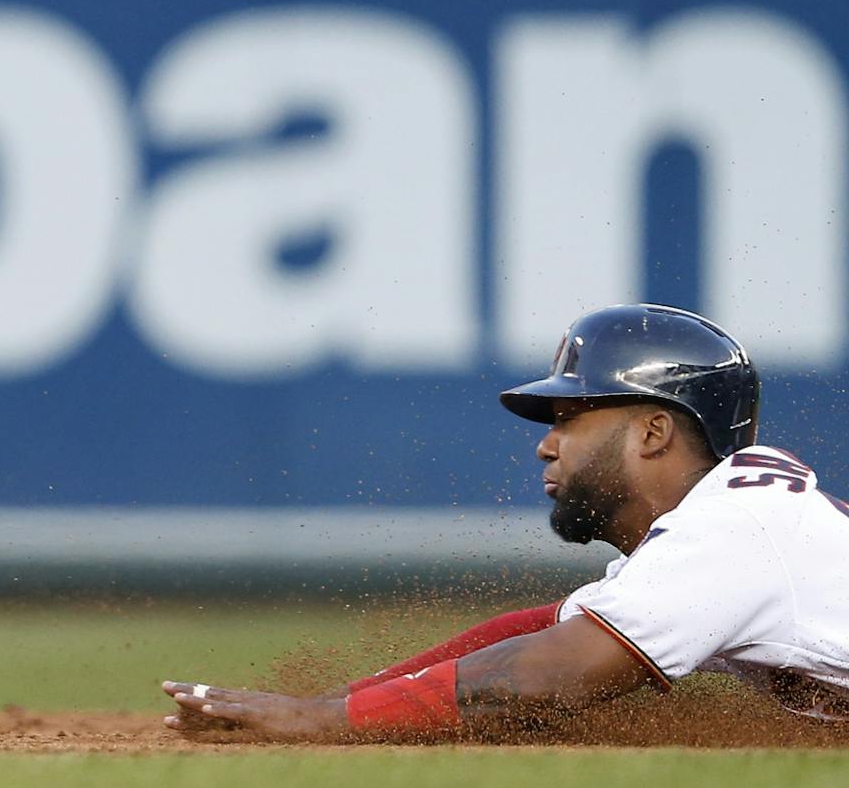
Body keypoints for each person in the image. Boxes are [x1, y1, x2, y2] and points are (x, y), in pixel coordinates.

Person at [161, 303, 849, 738]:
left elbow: (545, 675)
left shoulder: (733, 530)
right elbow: (528, 634)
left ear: (653, 432)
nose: (548, 443)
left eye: (571, 417)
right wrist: (327, 700)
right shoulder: (727, 523)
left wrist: (322, 721)